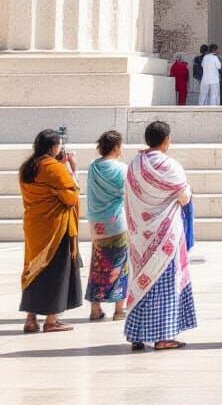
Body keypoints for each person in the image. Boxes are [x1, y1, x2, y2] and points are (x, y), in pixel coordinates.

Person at [124, 120, 196, 351]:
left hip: (140, 236)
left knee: (141, 281)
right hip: (165, 236)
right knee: (163, 285)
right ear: (166, 140)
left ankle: (137, 333)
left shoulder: (135, 163)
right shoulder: (171, 166)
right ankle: (163, 336)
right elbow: (184, 197)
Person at [19, 129, 82, 333]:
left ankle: (30, 319)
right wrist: (72, 169)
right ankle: (51, 321)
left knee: (34, 269)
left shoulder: (27, 167)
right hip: (55, 228)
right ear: (52, 147)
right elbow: (71, 198)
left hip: (34, 226)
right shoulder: (53, 168)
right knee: (55, 271)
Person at [85, 130, 128, 322]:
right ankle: (119, 310)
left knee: (98, 264)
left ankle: (95, 308)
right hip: (116, 222)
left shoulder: (93, 168)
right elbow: (127, 192)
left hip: (96, 223)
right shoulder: (121, 169)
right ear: (116, 147)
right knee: (119, 265)